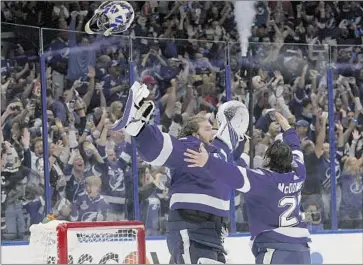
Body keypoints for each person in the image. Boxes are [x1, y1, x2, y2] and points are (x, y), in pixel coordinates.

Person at [111, 82, 249, 264]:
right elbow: (159, 148)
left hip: (214, 233)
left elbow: (231, 128)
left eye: (212, 128)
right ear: (193, 133)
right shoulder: (191, 147)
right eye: (207, 129)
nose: (213, 132)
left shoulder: (219, 150)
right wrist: (139, 128)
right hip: (191, 227)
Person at [183, 112, 311, 264]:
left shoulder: (264, 179)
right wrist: (287, 127)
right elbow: (295, 147)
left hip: (275, 248)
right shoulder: (298, 172)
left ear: (268, 159)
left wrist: (207, 162)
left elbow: (233, 174)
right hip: (302, 251)